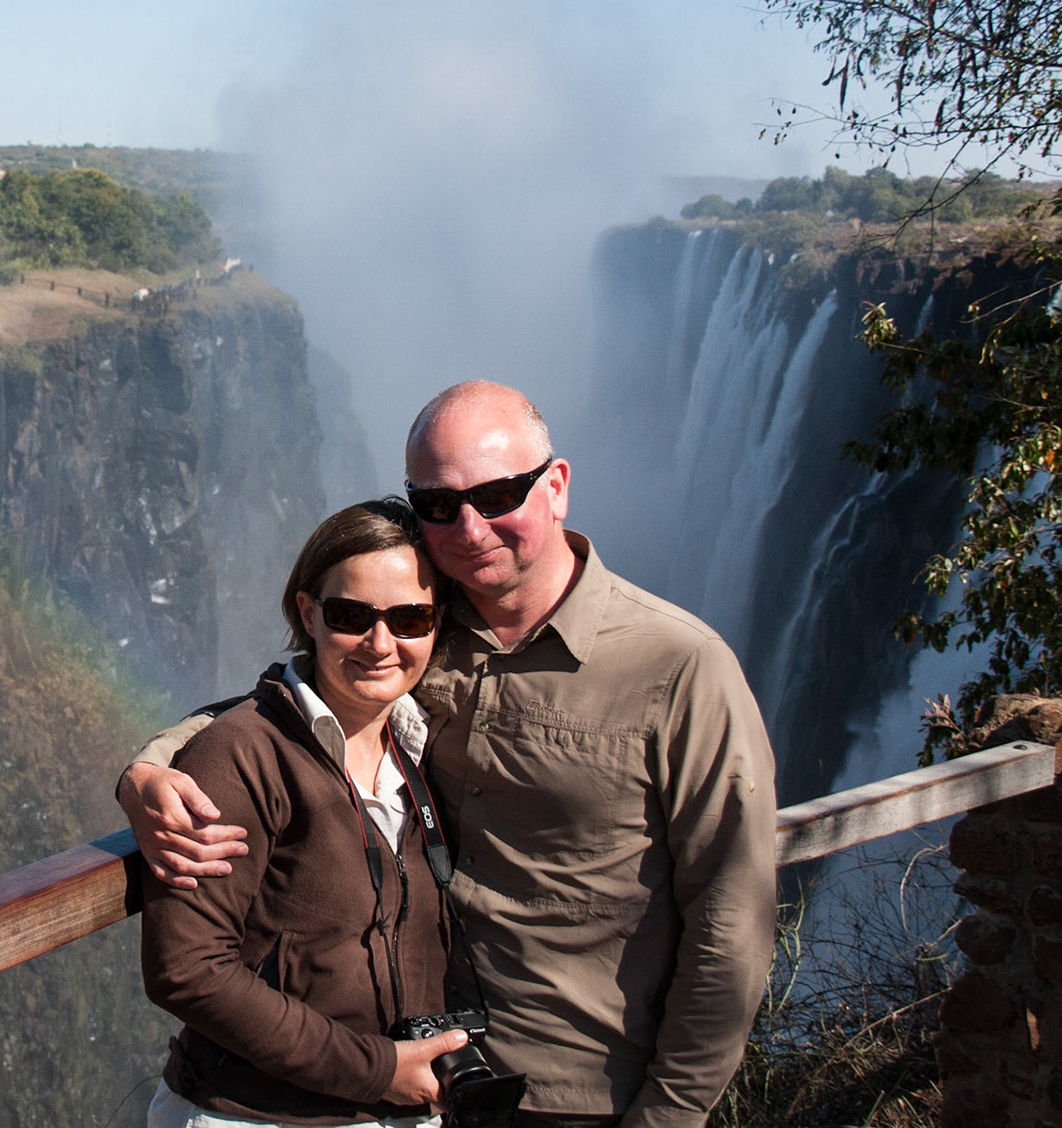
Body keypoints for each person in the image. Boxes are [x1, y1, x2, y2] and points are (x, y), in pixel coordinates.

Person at [123, 381, 777, 1128]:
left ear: (556, 487)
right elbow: (287, 704)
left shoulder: (680, 668)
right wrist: (150, 767)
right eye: (437, 504)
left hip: (582, 1095)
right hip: (430, 1084)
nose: (469, 527)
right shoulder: (418, 630)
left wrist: (670, 1115)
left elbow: (733, 918)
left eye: (498, 495)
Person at [141, 499, 471, 1128]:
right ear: (308, 613)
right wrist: (376, 1070)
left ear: (437, 623)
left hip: (397, 1110)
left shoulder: (421, 745)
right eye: (351, 616)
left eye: (410, 619)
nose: (381, 643)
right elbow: (186, 970)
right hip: (256, 1116)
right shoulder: (240, 754)